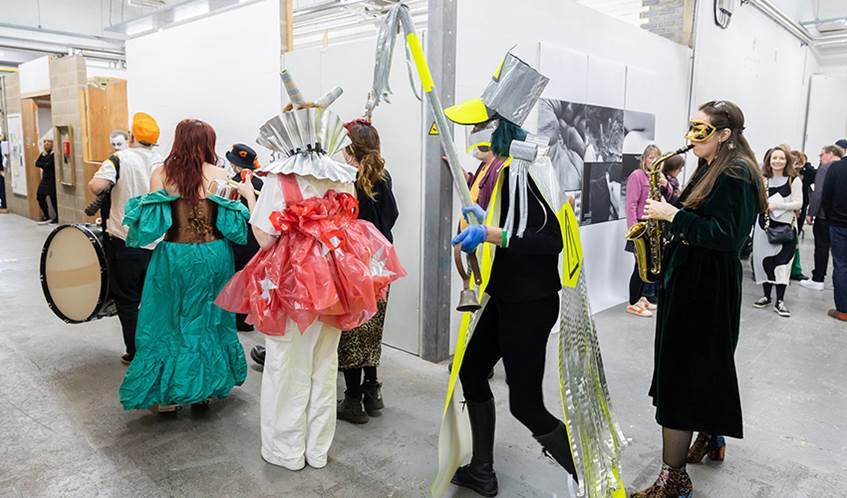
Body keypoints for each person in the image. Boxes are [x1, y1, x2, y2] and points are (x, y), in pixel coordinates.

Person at [214, 80, 404, 471]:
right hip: (337, 282)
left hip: (292, 285)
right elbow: (348, 222)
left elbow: (264, 237)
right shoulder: (341, 175)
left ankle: (286, 450)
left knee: (286, 365)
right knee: (324, 362)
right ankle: (317, 450)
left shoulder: (280, 179)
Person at [633, 100, 766, 498]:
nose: (690, 138)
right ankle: (712, 438)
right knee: (702, 369)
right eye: (691, 128)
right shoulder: (713, 167)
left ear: (724, 135)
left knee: (682, 377)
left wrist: (672, 216)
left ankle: (673, 480)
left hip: (704, 288)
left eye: (700, 131)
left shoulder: (737, 174)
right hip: (693, 279)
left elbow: (727, 236)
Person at [118, 118, 250, 413]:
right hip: (215, 255)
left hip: (174, 255)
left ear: (178, 141)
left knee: (168, 319)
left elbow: (151, 227)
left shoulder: (161, 173)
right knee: (208, 319)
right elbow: (234, 227)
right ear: (207, 144)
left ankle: (169, 396)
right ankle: (203, 390)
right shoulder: (219, 174)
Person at [333, 119, 400, 424]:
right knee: (372, 329)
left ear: (350, 150)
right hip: (382, 262)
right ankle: (373, 392)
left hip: (355, 263)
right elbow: (392, 215)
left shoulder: (347, 178)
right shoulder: (382, 176)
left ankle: (352, 400)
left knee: (352, 330)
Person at [88, 112, 163, 364]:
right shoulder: (162, 160)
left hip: (126, 242)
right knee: (155, 299)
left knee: (128, 299)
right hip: (160, 243)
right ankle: (157, 348)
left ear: (131, 137)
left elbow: (96, 186)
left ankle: (135, 352)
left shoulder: (119, 159)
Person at [751, 145, 802, 318]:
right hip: (763, 228)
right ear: (768, 160)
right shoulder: (763, 179)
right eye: (774, 158)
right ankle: (766, 296)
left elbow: (798, 203)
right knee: (765, 263)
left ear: (787, 160)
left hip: (785, 229)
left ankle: (780, 300)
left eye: (781, 158)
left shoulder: (793, 180)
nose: (777, 161)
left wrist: (777, 205)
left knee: (783, 265)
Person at [624, 144, 671, 317]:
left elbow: (670, 196)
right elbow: (630, 204)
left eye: (657, 157)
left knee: (650, 266)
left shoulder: (659, 177)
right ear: (644, 159)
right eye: (651, 157)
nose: (654, 160)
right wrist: (634, 230)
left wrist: (666, 184)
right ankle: (632, 302)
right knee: (639, 267)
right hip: (642, 226)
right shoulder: (636, 176)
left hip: (655, 226)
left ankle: (642, 297)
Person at [224, 143, 264, 332]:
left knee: (234, 278)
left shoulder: (229, 183)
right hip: (254, 239)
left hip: (233, 237)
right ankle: (248, 317)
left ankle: (235, 317)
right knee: (251, 279)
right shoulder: (260, 184)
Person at [801, 144, 844, 291]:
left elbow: (818, 193)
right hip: (841, 218)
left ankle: (818, 278)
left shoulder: (826, 168)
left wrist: (811, 213)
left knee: (821, 247)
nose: (820, 158)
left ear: (830, 154)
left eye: (821, 155)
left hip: (824, 215)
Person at [821, 146, 847, 322]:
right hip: (838, 223)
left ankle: (843, 310)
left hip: (839, 223)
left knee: (841, 265)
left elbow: (826, 196)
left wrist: (832, 217)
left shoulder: (836, 168)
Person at [789, 150, 814, 280]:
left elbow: (812, 173)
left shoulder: (804, 175)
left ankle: (795, 269)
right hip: (789, 212)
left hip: (799, 211)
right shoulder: (789, 177)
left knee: (794, 241)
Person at [35, 132, 57, 223]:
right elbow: (37, 163)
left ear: (52, 143)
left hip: (52, 180)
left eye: (49, 142)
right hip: (45, 179)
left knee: (53, 198)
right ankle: (46, 215)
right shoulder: (43, 154)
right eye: (45, 142)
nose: (46, 143)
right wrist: (44, 164)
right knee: (40, 196)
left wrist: (43, 164)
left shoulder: (53, 154)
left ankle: (57, 217)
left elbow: (49, 165)